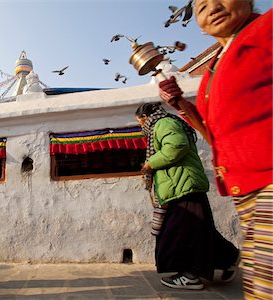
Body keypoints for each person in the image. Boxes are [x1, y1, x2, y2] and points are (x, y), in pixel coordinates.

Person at [158, 1, 272, 298]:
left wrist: (151, 164)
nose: (213, 7)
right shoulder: (212, 71)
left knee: (265, 285)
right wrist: (181, 104)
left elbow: (176, 148)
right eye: (201, 5)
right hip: (244, 189)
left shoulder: (265, 30)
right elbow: (214, 135)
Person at [135, 102, 239, 290]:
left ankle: (191, 274)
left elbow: (177, 145)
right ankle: (228, 257)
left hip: (183, 185)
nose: (141, 126)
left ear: (145, 117)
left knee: (182, 233)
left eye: (140, 122)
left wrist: (151, 163)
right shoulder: (162, 124)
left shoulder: (163, 123)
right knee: (197, 229)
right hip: (180, 186)